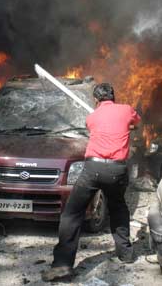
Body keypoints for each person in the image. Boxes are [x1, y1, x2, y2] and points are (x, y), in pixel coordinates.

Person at [42, 83, 141, 282]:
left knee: (72, 213)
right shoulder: (126, 110)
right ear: (113, 97)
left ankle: (62, 265)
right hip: (117, 169)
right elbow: (136, 123)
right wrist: (128, 124)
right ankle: (126, 254)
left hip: (93, 169)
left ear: (96, 100)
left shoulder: (92, 116)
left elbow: (93, 127)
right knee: (119, 207)